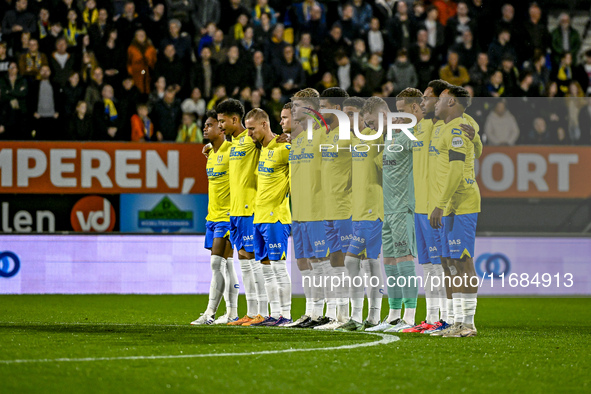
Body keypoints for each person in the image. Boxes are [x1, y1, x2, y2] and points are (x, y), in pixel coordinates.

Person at [430, 85, 481, 338]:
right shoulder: (450, 128)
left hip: (461, 204)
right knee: (452, 264)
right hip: (451, 206)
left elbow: (456, 170)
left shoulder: (458, 128)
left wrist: (440, 204)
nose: (436, 104)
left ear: (451, 102)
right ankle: (458, 321)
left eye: (440, 99)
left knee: (464, 262)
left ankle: (468, 323)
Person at [218, 99, 268, 327]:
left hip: (250, 210)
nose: (220, 126)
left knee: (255, 261)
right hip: (235, 212)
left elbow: (269, 138)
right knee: (244, 261)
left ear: (235, 120)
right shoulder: (233, 144)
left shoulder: (251, 139)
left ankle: (263, 312)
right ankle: (251, 311)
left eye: (222, 122)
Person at [337, 96, 384, 332]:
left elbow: (388, 167)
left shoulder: (378, 136)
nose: (347, 118)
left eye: (351, 113)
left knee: (358, 261)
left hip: (373, 209)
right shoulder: (354, 140)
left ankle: (367, 317)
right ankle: (362, 318)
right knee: (362, 261)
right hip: (357, 210)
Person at [244, 108, 292, 327]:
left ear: (265, 125)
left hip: (276, 217)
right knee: (266, 269)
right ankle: (273, 314)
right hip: (259, 217)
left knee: (278, 268)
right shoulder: (261, 149)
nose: (249, 133)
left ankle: (286, 314)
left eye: (252, 129)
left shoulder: (284, 148)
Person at [191, 109, 239, 325]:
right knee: (227, 266)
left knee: (216, 264)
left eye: (209, 125)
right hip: (212, 217)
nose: (205, 128)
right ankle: (232, 314)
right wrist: (210, 148)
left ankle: (209, 314)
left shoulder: (233, 151)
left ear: (221, 129)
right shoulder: (210, 153)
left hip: (227, 217)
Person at [315, 87, 352, 331]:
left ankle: (350, 315)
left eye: (324, 107)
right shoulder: (327, 134)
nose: (319, 111)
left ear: (336, 108)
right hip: (328, 207)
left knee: (351, 262)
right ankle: (338, 315)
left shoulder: (349, 133)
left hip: (346, 207)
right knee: (335, 259)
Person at [27, 65, 61, 140]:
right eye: (43, 70)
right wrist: (33, 112)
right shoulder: (34, 85)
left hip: (52, 118)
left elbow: (60, 99)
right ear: (40, 72)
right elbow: (30, 100)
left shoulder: (55, 85)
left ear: (50, 72)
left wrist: (58, 112)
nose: (45, 72)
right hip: (39, 118)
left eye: (47, 70)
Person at [126, 29, 157, 94]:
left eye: (143, 35)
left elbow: (154, 62)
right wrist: (131, 73)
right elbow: (128, 62)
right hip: (136, 76)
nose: (141, 36)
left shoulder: (151, 49)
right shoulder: (131, 49)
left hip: (148, 76)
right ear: (135, 36)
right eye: (139, 35)